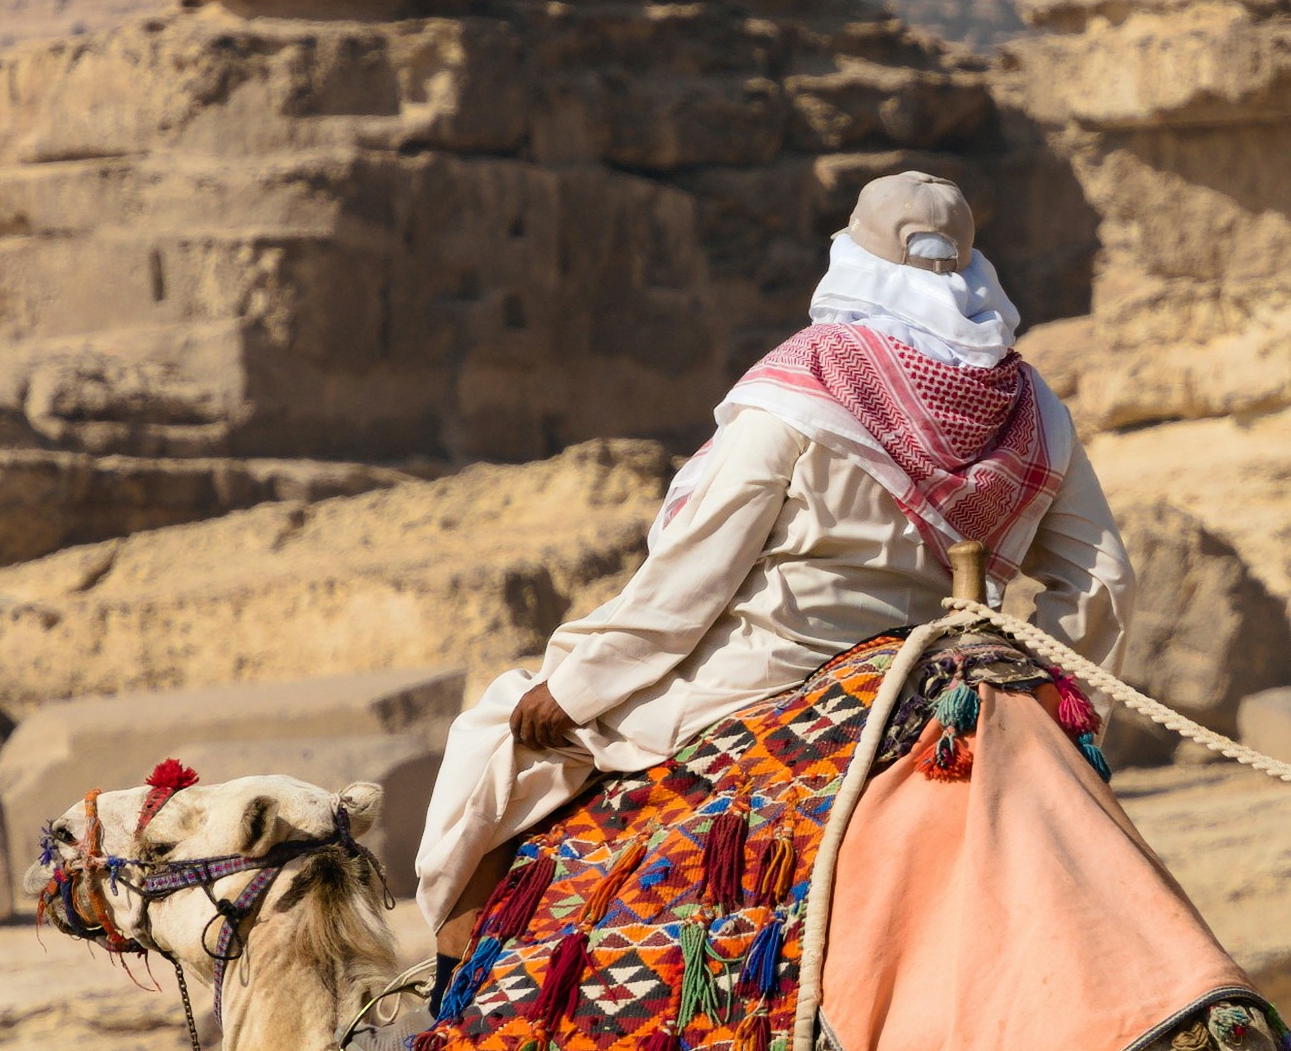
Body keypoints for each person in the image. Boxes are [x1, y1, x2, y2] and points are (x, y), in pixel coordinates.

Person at [412, 169, 1132, 930]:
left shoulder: (813, 377)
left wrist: (579, 686)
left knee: (495, 737)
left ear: (855, 256)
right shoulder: (1030, 403)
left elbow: (699, 564)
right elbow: (1102, 580)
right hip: (936, 666)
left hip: (763, 670)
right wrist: (1053, 702)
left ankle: (448, 999)